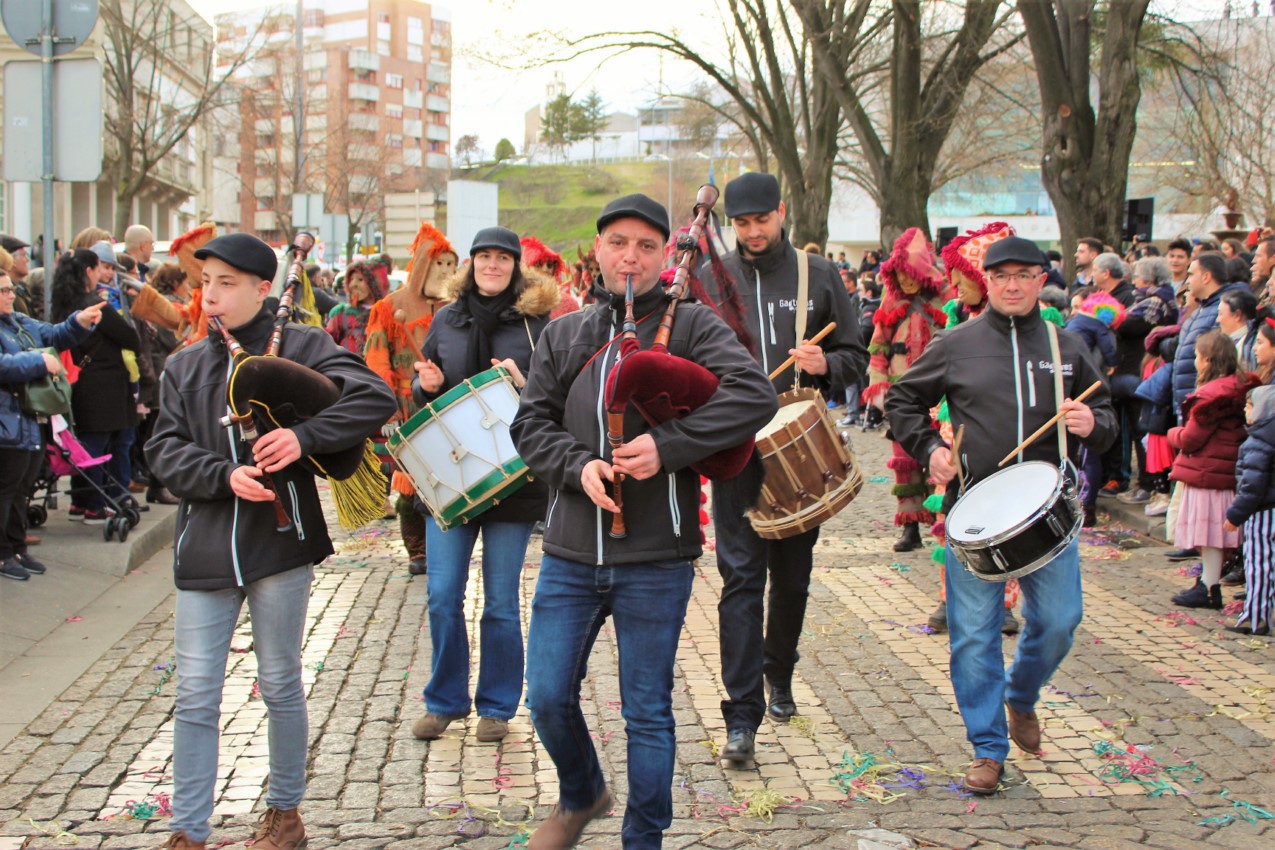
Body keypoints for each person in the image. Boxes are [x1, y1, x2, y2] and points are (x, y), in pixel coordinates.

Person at [511, 193, 776, 850]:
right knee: (546, 697)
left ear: (663, 256)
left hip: (657, 559)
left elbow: (754, 395)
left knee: (647, 714)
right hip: (571, 553)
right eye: (617, 242)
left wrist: (669, 447)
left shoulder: (693, 326)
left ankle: (644, 840)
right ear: (597, 250)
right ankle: (581, 793)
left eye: (646, 245)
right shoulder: (563, 333)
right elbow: (529, 424)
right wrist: (577, 466)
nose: (629, 255)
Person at [145, 232, 396, 850]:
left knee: (280, 680)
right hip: (205, 545)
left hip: (282, 543)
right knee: (197, 690)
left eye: (227, 284)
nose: (211, 297)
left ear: (263, 289)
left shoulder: (306, 344)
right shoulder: (185, 364)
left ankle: (285, 814)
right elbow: (163, 450)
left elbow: (374, 396)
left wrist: (303, 438)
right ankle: (189, 832)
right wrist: (223, 475)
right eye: (206, 283)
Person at [886, 235, 1116, 795]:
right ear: (985, 282)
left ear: (1043, 279)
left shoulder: (1067, 347)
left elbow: (1106, 414)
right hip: (974, 511)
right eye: (1001, 276)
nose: (1012, 285)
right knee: (972, 635)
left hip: (1047, 514)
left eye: (1024, 275)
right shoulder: (955, 344)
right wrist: (931, 450)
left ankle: (1020, 694)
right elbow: (901, 401)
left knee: (1061, 620)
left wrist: (1093, 424)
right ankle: (987, 749)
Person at [694, 173, 865, 764]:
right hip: (736, 449)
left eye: (761, 220)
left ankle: (779, 673)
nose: (752, 232)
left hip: (799, 449)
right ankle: (742, 716)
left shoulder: (819, 274)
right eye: (741, 224)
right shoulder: (709, 280)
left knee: (790, 580)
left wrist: (827, 363)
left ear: (781, 213)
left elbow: (855, 356)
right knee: (741, 580)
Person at [406, 227, 558, 744]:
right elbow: (423, 384)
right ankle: (445, 700)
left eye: (502, 258)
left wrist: (525, 382)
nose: (492, 265)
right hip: (450, 477)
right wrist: (420, 385)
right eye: (484, 257)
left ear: (516, 266)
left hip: (513, 477)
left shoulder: (536, 323)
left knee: (499, 601)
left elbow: (555, 393)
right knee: (443, 595)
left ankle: (496, 705)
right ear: (471, 264)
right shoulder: (447, 320)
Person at [365, 223, 457, 575]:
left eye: (452, 265)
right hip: (405, 406)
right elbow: (376, 363)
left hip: (446, 405)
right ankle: (417, 551)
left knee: (446, 477)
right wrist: (386, 408)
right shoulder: (390, 308)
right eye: (439, 265)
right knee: (409, 483)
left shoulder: (455, 307)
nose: (447, 273)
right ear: (422, 266)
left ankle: (442, 545)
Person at [0, 269, 103, 580]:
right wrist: (38, 362)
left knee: (21, 489)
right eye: (3, 290)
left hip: (29, 419)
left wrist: (79, 322)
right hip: (7, 424)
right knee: (6, 491)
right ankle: (4, 555)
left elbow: (54, 335)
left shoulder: (18, 321)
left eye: (10, 289)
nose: (10, 295)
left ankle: (17, 548)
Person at [863, 227, 951, 552]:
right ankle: (910, 528)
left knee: (941, 460)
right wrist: (878, 387)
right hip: (901, 393)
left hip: (939, 393)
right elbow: (878, 347)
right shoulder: (890, 298)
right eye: (900, 274)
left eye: (911, 274)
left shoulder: (945, 296)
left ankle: (944, 524)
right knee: (905, 463)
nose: (907, 281)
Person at [50, 249, 141, 524]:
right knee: (100, 447)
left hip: (78, 382)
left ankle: (80, 501)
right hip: (104, 385)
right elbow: (130, 338)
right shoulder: (95, 305)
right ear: (89, 271)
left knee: (84, 444)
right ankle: (96, 505)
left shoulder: (61, 303)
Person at [1167, 329, 1256, 610]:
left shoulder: (1210, 395)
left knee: (1210, 535)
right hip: (1224, 468)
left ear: (1207, 360)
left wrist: (1173, 434)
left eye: (1197, 356)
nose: (1195, 361)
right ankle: (1208, 583)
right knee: (1215, 535)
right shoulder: (1238, 386)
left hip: (1208, 471)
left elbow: (1192, 438)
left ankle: (1209, 587)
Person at [1223, 384, 1275, 635]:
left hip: (1261, 513)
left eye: (1250, 405)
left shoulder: (1259, 441)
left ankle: (1256, 617)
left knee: (1259, 566)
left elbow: (1252, 486)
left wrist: (1235, 514)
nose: (1245, 409)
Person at [324, 256, 387, 356]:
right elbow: (326, 344)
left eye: (360, 280)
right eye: (351, 279)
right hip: (347, 368)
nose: (353, 284)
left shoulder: (386, 313)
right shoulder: (340, 313)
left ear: (374, 285)